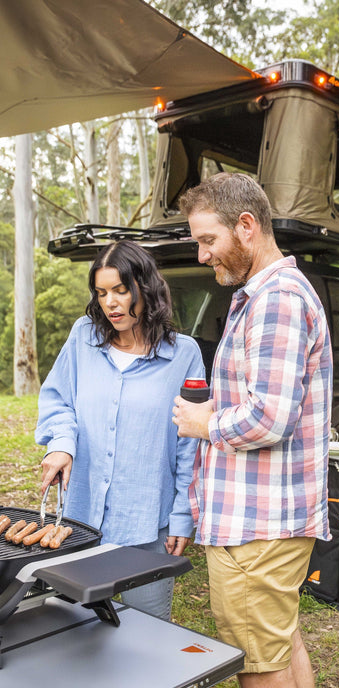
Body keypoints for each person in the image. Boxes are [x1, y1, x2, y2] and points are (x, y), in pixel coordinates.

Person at [172, 172, 332, 688]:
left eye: (207, 240)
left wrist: (203, 423)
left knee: (258, 663)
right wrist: (221, 406)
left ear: (246, 227)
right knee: (280, 642)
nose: (201, 255)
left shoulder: (276, 300)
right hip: (267, 518)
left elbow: (268, 419)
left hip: (257, 526)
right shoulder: (262, 294)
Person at [35, 240, 204, 620]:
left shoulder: (185, 354)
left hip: (146, 524)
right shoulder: (83, 337)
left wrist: (181, 518)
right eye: (101, 293)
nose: (110, 303)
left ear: (145, 288)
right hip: (80, 522)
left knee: (148, 631)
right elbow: (58, 398)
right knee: (73, 628)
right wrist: (61, 443)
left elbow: (189, 447)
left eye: (121, 290)